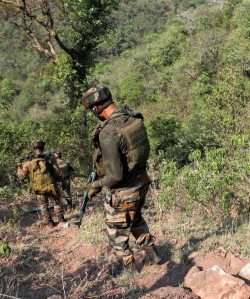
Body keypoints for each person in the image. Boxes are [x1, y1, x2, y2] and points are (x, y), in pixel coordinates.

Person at [81, 85, 162, 275]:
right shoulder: (132, 118)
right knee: (135, 220)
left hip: (125, 189)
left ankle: (130, 270)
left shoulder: (108, 132)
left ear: (95, 108)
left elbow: (115, 176)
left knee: (116, 232)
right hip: (142, 180)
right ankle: (154, 255)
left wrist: (95, 185)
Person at [17, 139, 65, 226]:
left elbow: (21, 177)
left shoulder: (28, 162)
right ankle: (61, 219)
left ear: (34, 148)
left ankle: (49, 223)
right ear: (43, 147)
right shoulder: (50, 159)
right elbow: (58, 172)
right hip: (51, 186)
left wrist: (18, 166)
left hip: (38, 189)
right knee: (57, 202)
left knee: (43, 206)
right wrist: (61, 180)